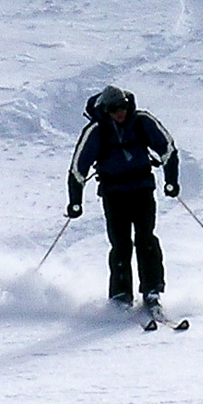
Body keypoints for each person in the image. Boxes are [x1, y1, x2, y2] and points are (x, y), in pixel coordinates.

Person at [65, 84, 180, 309]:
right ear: (105, 110)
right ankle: (120, 295)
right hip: (114, 194)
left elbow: (167, 149)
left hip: (142, 189)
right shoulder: (96, 130)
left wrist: (171, 180)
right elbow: (79, 167)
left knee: (146, 238)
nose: (119, 113)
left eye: (122, 107)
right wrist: (75, 201)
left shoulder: (142, 121)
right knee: (120, 244)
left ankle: (152, 290)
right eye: (113, 109)